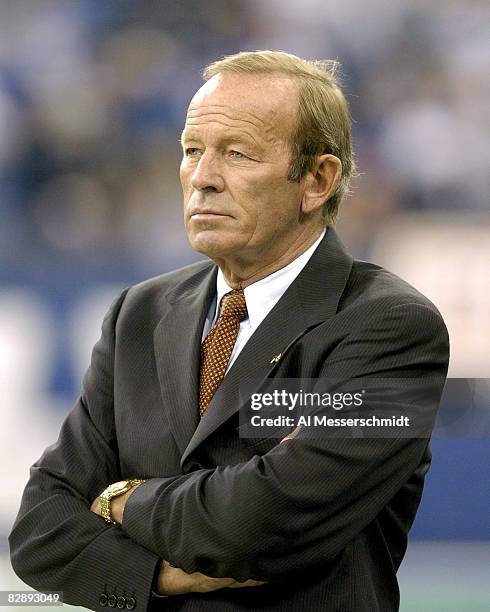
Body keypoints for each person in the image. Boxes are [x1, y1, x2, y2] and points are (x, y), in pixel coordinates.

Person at [9, 51, 449, 611]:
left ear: (318, 179)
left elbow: (257, 523)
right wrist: (157, 578)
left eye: (237, 154)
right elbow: (37, 531)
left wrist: (119, 500)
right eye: (192, 151)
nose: (203, 178)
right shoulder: (138, 315)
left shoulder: (391, 328)